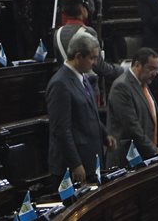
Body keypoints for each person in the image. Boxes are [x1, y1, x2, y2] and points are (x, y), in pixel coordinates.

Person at [47, 29, 113, 184]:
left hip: (90, 160)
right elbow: (61, 130)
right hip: (71, 168)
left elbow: (90, 112)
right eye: (92, 58)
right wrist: (75, 163)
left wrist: (104, 134)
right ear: (78, 57)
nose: (95, 63)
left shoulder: (82, 78)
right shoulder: (60, 84)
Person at [106, 48, 158, 169]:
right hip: (126, 160)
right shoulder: (121, 86)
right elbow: (132, 126)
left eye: (156, 69)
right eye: (151, 68)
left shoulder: (144, 83)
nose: (155, 73)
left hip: (144, 158)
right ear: (137, 65)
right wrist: (155, 151)